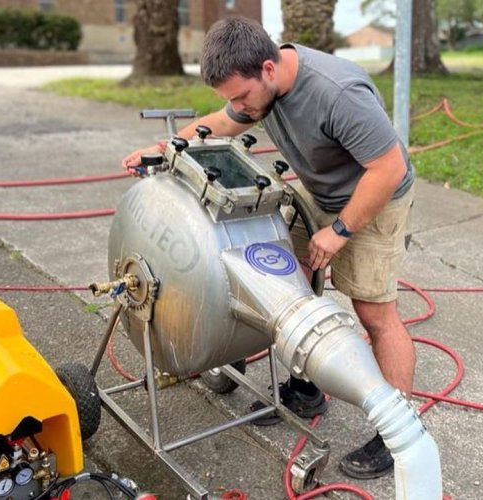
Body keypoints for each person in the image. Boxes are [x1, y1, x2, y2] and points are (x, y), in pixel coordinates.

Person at [122, 16, 416, 481]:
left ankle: (397, 433)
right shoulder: (262, 87)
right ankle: (306, 390)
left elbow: (388, 168)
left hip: (374, 199)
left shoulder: (337, 93)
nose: (238, 106)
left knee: (376, 314)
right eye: (231, 97)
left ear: (268, 68)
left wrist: (339, 231)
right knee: (287, 285)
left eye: (241, 95)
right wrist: (166, 148)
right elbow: (222, 124)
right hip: (322, 194)